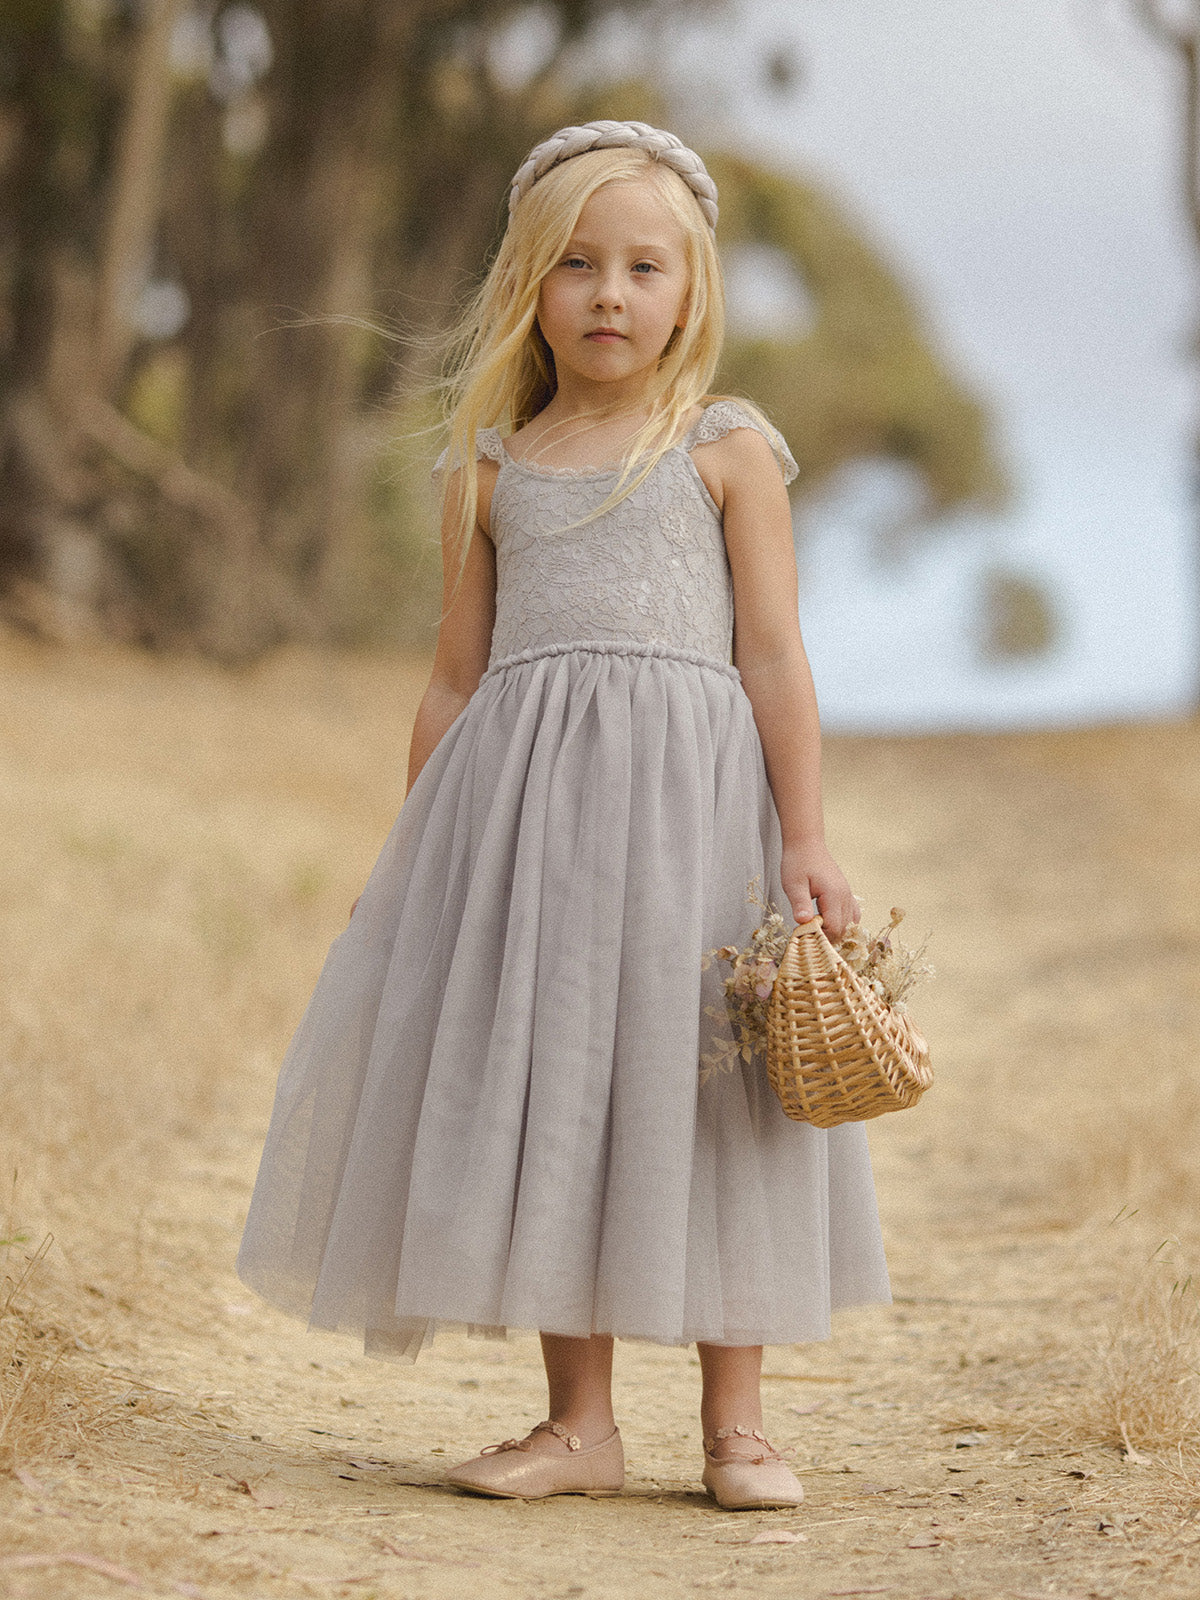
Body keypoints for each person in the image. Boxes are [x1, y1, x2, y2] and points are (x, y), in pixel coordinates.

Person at [237, 119, 891, 1512]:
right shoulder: (491, 468)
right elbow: (452, 680)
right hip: (533, 835)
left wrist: (805, 838)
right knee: (557, 1089)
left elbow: (773, 657)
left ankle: (738, 1424)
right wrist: (414, 855)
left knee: (721, 1093)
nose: (611, 294)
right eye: (580, 266)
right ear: (529, 285)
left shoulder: (724, 450)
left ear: (690, 292)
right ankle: (578, 1423)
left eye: (645, 267)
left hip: (699, 830)